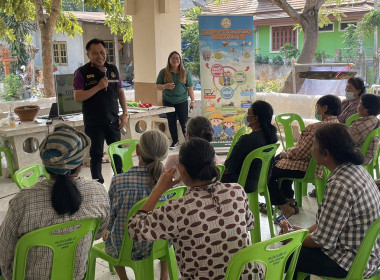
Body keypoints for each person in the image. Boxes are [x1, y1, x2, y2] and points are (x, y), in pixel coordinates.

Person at [128, 138, 255, 279]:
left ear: (181, 168)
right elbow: (249, 225)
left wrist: (158, 190)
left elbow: (135, 228)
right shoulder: (237, 191)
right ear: (214, 163)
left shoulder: (178, 209)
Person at [0, 124, 110, 280]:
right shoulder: (98, 192)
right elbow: (98, 234)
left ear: (45, 164)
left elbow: (4, 256)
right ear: (81, 164)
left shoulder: (22, 203)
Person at [284, 123, 380, 279]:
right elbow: (328, 224)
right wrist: (302, 233)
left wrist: (293, 238)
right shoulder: (357, 169)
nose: (312, 149)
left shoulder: (339, 185)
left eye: (314, 145)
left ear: (326, 154)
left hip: (351, 262)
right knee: (297, 247)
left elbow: (322, 241)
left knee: (290, 253)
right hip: (369, 254)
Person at [104, 130, 170, 280]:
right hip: (158, 243)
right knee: (168, 233)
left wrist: (107, 229)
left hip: (125, 248)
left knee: (109, 238)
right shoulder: (169, 182)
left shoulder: (119, 181)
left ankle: (124, 278)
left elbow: (110, 215)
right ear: (165, 153)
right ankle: (164, 276)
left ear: (138, 150)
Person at [265, 95, 341, 218]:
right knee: (283, 164)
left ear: (325, 108)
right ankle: (288, 198)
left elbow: (302, 152)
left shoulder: (318, 128)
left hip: (308, 168)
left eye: (318, 107)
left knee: (268, 172)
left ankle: (284, 206)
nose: (317, 110)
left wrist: (285, 153)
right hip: (322, 167)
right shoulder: (339, 125)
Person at [73, 38, 129, 184]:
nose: (100, 56)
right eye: (95, 53)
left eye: (102, 52)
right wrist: (98, 86)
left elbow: (121, 92)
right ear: (88, 55)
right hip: (94, 122)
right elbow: (78, 97)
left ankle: (120, 180)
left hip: (113, 120)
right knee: (96, 154)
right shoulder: (82, 72)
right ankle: (97, 184)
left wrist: (125, 113)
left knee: (117, 152)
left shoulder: (113, 70)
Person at [221, 101, 278, 193]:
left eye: (248, 114)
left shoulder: (246, 140)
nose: (246, 117)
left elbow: (227, 169)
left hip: (241, 183)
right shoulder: (271, 138)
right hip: (261, 181)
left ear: (255, 119)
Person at [156, 51, 195, 149]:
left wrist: (193, 101)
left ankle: (188, 142)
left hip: (182, 101)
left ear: (180, 60)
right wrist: (165, 86)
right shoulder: (163, 72)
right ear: (169, 60)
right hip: (168, 101)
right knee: (171, 121)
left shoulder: (185, 72)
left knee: (184, 122)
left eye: (177, 58)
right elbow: (157, 86)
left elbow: (190, 87)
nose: (175, 60)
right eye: (173, 58)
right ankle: (175, 141)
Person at [349, 93, 380, 165]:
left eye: (360, 104)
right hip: (369, 156)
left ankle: (321, 174)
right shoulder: (374, 120)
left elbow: (347, 143)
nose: (358, 106)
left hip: (360, 158)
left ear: (366, 110)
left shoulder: (360, 126)